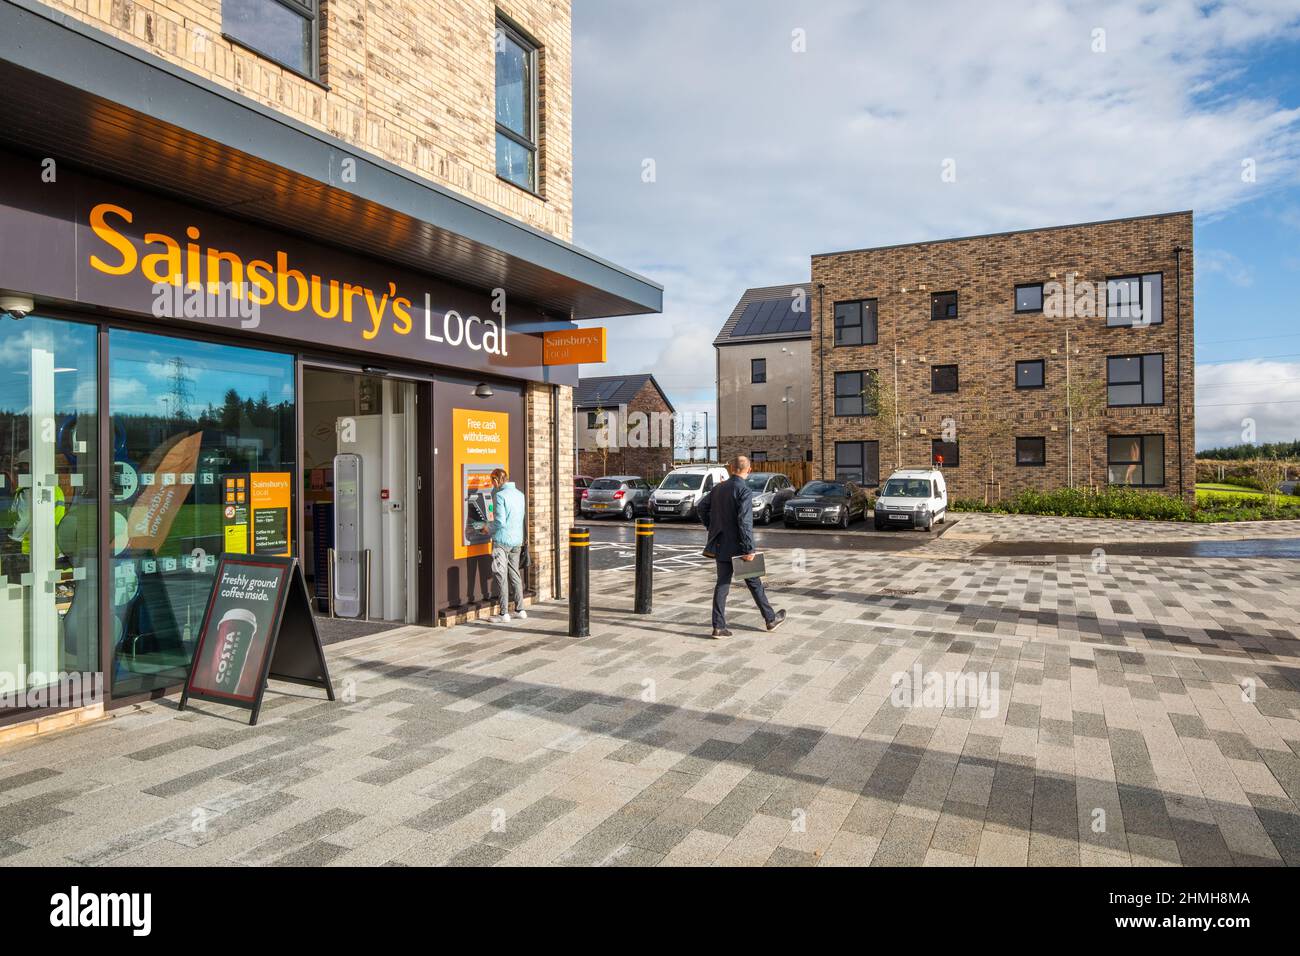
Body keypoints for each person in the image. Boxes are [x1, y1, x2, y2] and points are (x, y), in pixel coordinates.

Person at [697, 456, 786, 638]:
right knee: (755, 584)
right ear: (749, 470)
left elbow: (701, 507)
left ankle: (718, 627)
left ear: (731, 468)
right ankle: (770, 619)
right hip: (739, 547)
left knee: (722, 585)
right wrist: (749, 549)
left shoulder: (718, 488)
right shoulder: (744, 490)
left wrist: (712, 527)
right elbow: (745, 522)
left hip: (721, 544)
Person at [487, 468, 527, 623]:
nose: (492, 484)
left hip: (502, 541)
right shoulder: (520, 495)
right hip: (517, 540)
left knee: (500, 575)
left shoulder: (500, 495)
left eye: (492, 481)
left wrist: (487, 528)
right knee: (515, 574)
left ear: (497, 480)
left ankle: (503, 613)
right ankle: (520, 609)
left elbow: (499, 522)